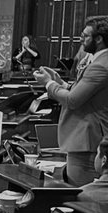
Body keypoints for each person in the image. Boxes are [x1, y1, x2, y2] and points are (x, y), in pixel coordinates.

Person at [35, 16, 108, 186]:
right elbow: (83, 93)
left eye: (85, 36)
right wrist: (60, 83)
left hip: (87, 138)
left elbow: (73, 101)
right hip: (86, 137)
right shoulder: (97, 60)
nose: (81, 39)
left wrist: (48, 84)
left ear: (99, 39)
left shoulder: (100, 65)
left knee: (81, 196)